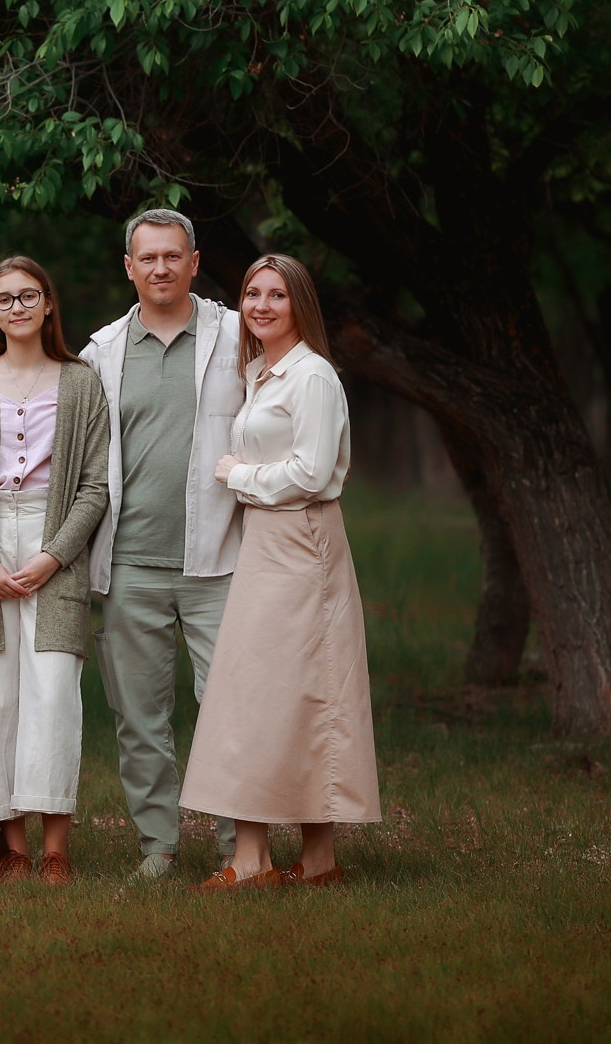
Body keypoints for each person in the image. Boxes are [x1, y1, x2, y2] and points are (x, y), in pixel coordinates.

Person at [182, 253, 380, 890]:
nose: (261, 306)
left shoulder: (313, 376)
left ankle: (260, 862)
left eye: (276, 296)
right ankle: (302, 862)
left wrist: (238, 475)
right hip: (266, 543)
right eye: (251, 294)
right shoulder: (259, 373)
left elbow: (315, 473)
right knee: (267, 693)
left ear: (300, 306)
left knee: (294, 690)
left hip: (303, 545)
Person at [78, 208, 245, 881]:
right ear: (128, 266)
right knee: (139, 716)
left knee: (232, 708)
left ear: (195, 262)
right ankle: (159, 846)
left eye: (173, 256)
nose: (160, 268)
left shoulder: (238, 336)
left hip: (222, 559)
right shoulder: (102, 351)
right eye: (147, 257)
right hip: (128, 564)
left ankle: (242, 845)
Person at [0, 256, 110, 885]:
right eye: (3, 298)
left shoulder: (82, 383)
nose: (16, 307)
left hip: (53, 539)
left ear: (49, 303)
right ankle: (11, 846)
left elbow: (94, 486)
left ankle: (55, 848)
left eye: (28, 295)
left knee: (53, 694)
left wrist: (49, 557)